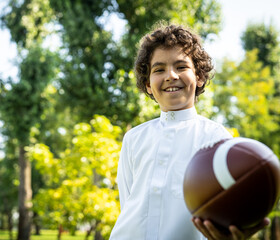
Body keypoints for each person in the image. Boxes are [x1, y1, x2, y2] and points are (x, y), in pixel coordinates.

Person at [109, 23, 269, 240]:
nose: (170, 75)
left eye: (181, 67)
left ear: (200, 76)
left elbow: (224, 209)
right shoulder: (134, 138)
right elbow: (128, 205)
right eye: (159, 69)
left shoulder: (217, 140)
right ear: (148, 84)